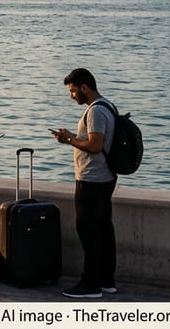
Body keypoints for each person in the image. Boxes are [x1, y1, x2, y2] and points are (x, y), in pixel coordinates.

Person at [52, 68, 118, 299]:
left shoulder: (95, 112)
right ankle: (106, 280)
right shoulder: (108, 105)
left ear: (84, 88)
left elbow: (95, 145)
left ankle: (90, 285)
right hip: (106, 177)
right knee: (103, 229)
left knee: (88, 231)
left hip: (91, 178)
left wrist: (69, 139)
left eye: (72, 91)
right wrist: (72, 136)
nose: (72, 96)